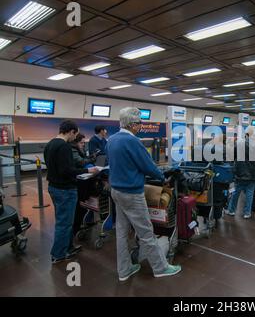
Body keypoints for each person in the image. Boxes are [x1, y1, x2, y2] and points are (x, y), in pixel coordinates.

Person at [107, 107, 181, 281]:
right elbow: (148, 166)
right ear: (132, 124)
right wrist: (162, 177)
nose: (140, 126)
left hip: (116, 191)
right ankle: (161, 267)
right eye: (139, 123)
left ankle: (124, 270)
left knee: (122, 232)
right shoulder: (133, 141)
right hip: (132, 193)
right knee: (146, 233)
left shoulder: (111, 139)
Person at [44, 120, 98, 264]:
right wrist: (87, 170)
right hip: (65, 190)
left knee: (64, 221)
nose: (76, 138)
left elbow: (52, 167)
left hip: (54, 187)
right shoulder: (64, 147)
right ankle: (58, 254)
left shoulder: (50, 144)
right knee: (64, 223)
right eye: (75, 134)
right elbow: (67, 171)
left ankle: (68, 247)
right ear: (71, 132)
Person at [226, 126, 255, 219]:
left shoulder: (239, 143)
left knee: (236, 192)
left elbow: (232, 155)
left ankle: (231, 210)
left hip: (240, 172)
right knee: (249, 194)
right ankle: (247, 213)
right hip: (252, 173)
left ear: (246, 134)